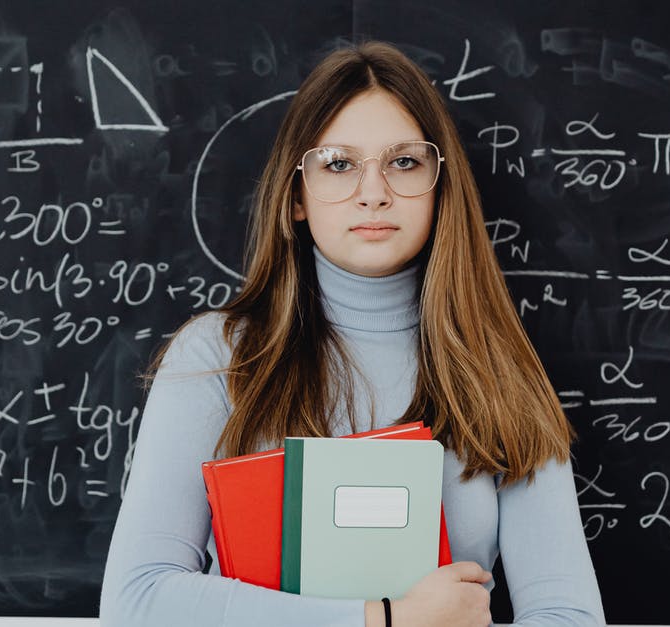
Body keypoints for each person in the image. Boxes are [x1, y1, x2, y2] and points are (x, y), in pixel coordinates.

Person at [99, 41, 606, 627]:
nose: (374, 192)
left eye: (405, 162)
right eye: (339, 164)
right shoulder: (217, 356)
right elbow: (135, 601)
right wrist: (385, 619)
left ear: (442, 189)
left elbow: (569, 615)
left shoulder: (498, 370)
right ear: (295, 196)